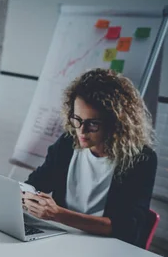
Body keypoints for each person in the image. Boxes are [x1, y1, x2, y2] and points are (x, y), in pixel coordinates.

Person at [23, 68, 157, 247]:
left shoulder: (141, 159)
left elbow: (127, 227)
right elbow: (37, 182)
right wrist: (24, 196)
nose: (81, 131)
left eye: (93, 123)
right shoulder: (68, 142)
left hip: (108, 247)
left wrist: (58, 214)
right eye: (77, 119)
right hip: (63, 239)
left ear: (116, 123)